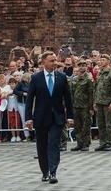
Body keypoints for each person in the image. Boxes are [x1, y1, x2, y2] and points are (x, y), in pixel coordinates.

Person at [25, 51, 74, 184]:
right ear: (44, 62)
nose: (54, 63)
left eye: (55, 60)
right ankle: (45, 171)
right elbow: (29, 100)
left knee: (54, 142)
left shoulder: (62, 77)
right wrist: (28, 118)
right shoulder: (36, 78)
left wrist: (70, 116)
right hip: (41, 117)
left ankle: (53, 171)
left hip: (57, 116)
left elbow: (68, 98)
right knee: (42, 145)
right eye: (51, 61)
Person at [93, 54, 111, 151]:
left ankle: (110, 143)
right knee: (101, 124)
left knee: (109, 124)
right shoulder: (100, 73)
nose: (101, 62)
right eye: (100, 60)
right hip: (99, 102)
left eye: (103, 60)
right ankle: (102, 143)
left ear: (108, 61)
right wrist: (95, 101)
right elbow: (97, 88)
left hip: (108, 102)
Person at [70, 60, 95, 151]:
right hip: (76, 106)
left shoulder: (89, 79)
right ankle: (79, 143)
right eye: (80, 66)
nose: (81, 67)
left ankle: (86, 143)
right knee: (77, 126)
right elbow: (72, 93)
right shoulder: (75, 79)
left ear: (86, 67)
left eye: (83, 66)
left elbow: (91, 93)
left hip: (85, 106)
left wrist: (91, 107)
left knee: (86, 126)